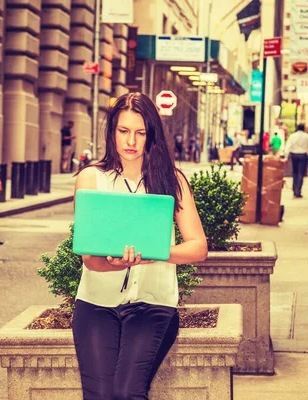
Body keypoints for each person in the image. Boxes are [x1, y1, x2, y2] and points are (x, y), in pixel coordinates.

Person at [72, 92, 208, 399]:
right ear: (112, 133)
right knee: (101, 396)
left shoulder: (171, 180)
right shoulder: (92, 179)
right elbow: (90, 259)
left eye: (140, 132)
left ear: (151, 135)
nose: (130, 141)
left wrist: (156, 252)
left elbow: (198, 247)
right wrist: (114, 263)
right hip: (96, 304)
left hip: (153, 304)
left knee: (127, 393)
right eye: (123, 131)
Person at [284, 123, 308, 198]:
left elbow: (288, 146)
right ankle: (298, 191)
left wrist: (286, 157)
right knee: (301, 173)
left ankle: (294, 190)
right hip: (303, 156)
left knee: (295, 172)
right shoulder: (307, 136)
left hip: (294, 155)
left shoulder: (292, 136)